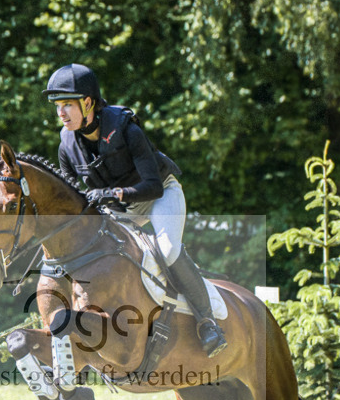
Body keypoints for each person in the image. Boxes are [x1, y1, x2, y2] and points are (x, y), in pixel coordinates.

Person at [42, 63, 227, 358]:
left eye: (67, 104)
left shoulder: (125, 127)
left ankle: (208, 322)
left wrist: (111, 193)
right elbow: (74, 201)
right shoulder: (67, 144)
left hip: (159, 195)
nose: (60, 113)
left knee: (166, 250)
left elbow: (153, 185)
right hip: (121, 210)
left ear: (88, 102)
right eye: (57, 106)